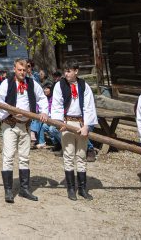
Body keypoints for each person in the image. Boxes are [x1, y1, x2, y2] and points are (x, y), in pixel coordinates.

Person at [0, 58, 49, 203]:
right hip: (10, 125)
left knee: (24, 157)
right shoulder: (7, 83)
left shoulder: (32, 83)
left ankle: (24, 189)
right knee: (9, 157)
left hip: (25, 126)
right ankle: (8, 191)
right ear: (14, 69)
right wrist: (10, 113)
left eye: (25, 70)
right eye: (19, 70)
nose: (22, 72)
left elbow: (42, 98)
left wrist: (43, 112)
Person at [49, 60, 97, 201]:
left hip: (81, 124)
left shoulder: (84, 85)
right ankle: (71, 189)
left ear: (76, 71)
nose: (66, 73)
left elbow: (89, 106)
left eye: (69, 71)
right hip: (67, 123)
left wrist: (87, 126)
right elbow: (56, 105)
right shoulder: (60, 85)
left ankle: (82, 189)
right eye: (65, 71)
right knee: (69, 155)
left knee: (81, 156)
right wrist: (59, 122)